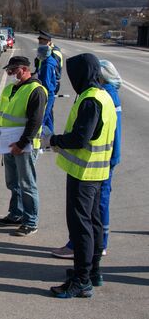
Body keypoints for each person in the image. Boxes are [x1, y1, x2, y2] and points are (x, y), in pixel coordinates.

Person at [49, 53, 117, 298]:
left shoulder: (90, 100)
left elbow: (80, 138)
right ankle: (92, 272)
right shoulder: (104, 96)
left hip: (84, 173)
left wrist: (53, 140)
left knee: (81, 227)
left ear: (82, 74)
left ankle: (81, 281)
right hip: (98, 171)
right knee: (94, 222)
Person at [0, 56, 48, 236]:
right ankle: (16, 213)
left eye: (12, 70)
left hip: (24, 147)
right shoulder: (11, 88)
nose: (9, 74)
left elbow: (35, 121)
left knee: (27, 184)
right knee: (13, 182)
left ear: (23, 69)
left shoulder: (36, 90)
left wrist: (21, 144)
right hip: (7, 143)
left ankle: (31, 221)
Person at [37, 45, 59, 133]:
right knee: (48, 116)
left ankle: (38, 139)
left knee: (42, 117)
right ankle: (50, 136)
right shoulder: (49, 62)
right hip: (50, 92)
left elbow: (46, 81)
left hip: (47, 93)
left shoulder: (47, 65)